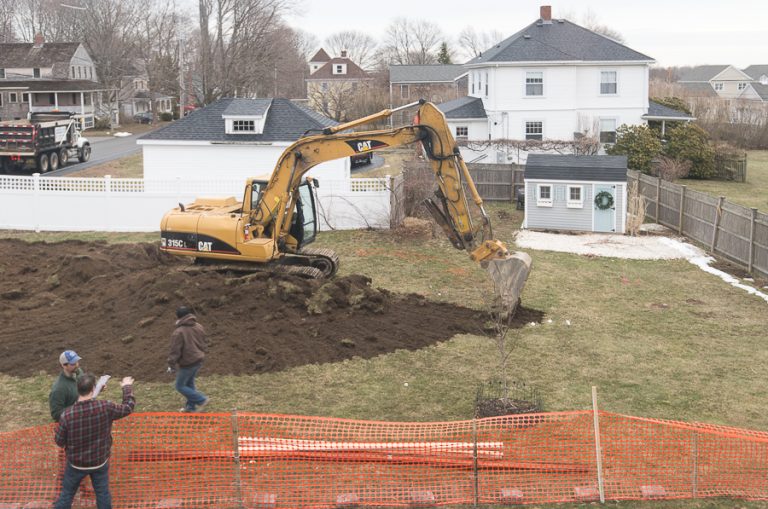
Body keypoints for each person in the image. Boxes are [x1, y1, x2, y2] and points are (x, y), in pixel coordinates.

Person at [53, 372, 135, 509]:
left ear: (77, 389)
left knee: (66, 495)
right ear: (93, 389)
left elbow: (59, 442)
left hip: (76, 464)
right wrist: (127, 387)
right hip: (99, 462)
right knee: (102, 494)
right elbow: (128, 407)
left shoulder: (67, 415)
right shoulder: (105, 407)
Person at [168, 306, 210, 412]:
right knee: (189, 384)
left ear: (178, 318)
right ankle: (190, 408)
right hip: (199, 359)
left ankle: (201, 399)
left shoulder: (178, 332)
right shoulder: (199, 326)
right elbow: (204, 341)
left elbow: (175, 351)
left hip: (188, 363)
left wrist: (171, 365)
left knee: (180, 386)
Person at [49, 350, 83, 422]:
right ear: (64, 365)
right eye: (73, 364)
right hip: (71, 424)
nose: (77, 365)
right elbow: (56, 414)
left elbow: (85, 386)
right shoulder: (59, 389)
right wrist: (77, 408)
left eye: (77, 361)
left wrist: (96, 388)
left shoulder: (79, 372)